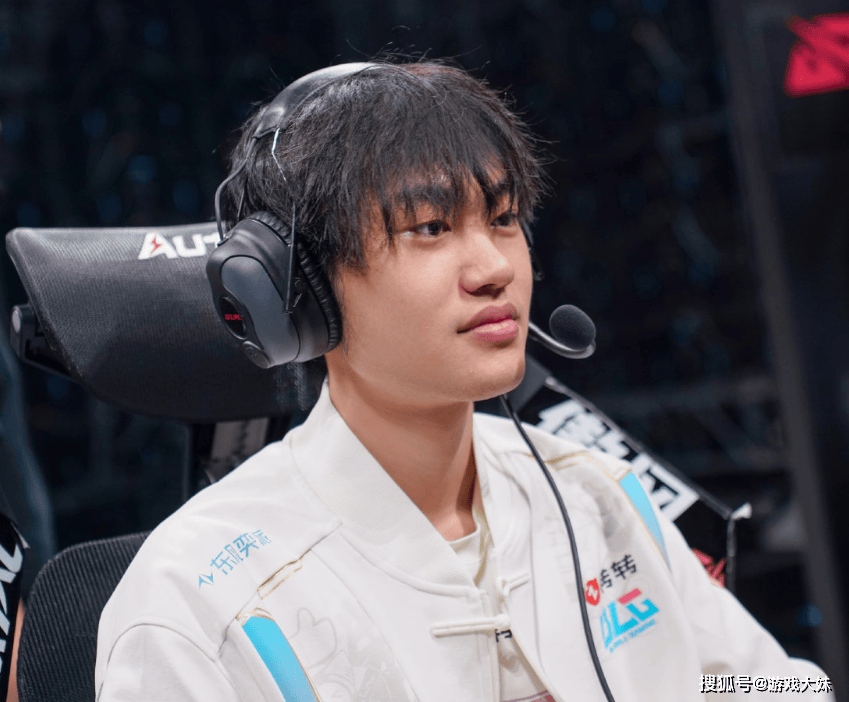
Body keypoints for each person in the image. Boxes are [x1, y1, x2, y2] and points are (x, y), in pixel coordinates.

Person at [95, 60, 831, 701]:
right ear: (302, 292)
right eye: (429, 228)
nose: (494, 268)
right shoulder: (197, 602)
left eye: (503, 218)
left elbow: (767, 683)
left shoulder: (596, 495)